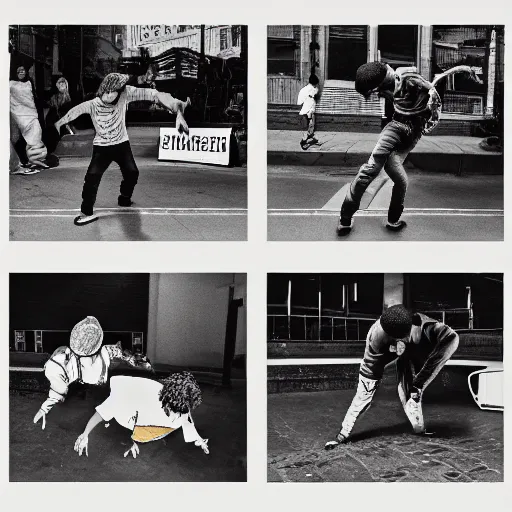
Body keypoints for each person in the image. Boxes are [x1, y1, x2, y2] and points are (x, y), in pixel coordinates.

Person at [336, 63, 483, 235]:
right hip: (396, 128)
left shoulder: (409, 80)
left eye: (379, 91)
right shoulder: (390, 86)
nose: (381, 95)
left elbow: (439, 80)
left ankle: (393, 220)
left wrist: (468, 70)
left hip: (412, 134)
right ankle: (345, 218)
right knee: (371, 169)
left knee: (401, 181)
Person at [54, 72, 191, 226]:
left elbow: (155, 94)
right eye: (109, 94)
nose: (113, 97)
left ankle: (124, 198)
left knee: (132, 172)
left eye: (116, 93)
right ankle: (85, 212)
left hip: (121, 144)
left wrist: (176, 107)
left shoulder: (125, 93)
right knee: (92, 176)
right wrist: (59, 123)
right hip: (102, 147)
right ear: (104, 91)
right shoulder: (92, 104)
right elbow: (74, 112)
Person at [324, 304, 459, 449]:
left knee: (413, 389)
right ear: (394, 339)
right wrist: (342, 435)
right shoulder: (375, 342)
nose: (408, 339)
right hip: (388, 352)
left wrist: (419, 382)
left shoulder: (421, 323)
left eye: (409, 334)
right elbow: (363, 395)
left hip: (415, 350)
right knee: (365, 393)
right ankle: (343, 434)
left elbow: (452, 338)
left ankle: (418, 426)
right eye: (404, 338)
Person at [33, 316, 153, 430]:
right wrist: (44, 408)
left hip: (110, 402)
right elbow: (58, 386)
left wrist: (144, 366)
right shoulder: (65, 361)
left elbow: (138, 363)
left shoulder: (110, 353)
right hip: (88, 405)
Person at [73, 372, 209, 458]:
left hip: (153, 417)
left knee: (177, 420)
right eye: (177, 411)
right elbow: (101, 412)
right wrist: (85, 434)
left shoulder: (181, 403)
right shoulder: (134, 396)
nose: (180, 415)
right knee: (122, 422)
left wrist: (198, 439)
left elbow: (187, 419)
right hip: (132, 414)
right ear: (168, 402)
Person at [9, 64, 49, 174]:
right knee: (19, 138)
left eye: (23, 70)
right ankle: (23, 160)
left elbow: (33, 97)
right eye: (19, 70)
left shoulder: (29, 82)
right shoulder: (10, 84)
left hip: (31, 113)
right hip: (18, 113)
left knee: (36, 133)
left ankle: (35, 160)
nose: (21, 72)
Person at [44, 76, 74, 154]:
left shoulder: (68, 98)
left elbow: (68, 113)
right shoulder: (54, 97)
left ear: (66, 85)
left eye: (63, 84)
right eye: (60, 84)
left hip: (63, 121)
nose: (61, 85)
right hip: (53, 120)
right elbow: (51, 111)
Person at [297, 74, 320, 150]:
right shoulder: (305, 91)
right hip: (305, 113)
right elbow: (300, 103)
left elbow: (299, 102)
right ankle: (303, 142)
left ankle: (311, 136)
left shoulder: (314, 89)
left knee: (310, 127)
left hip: (310, 112)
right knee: (306, 129)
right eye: (314, 85)